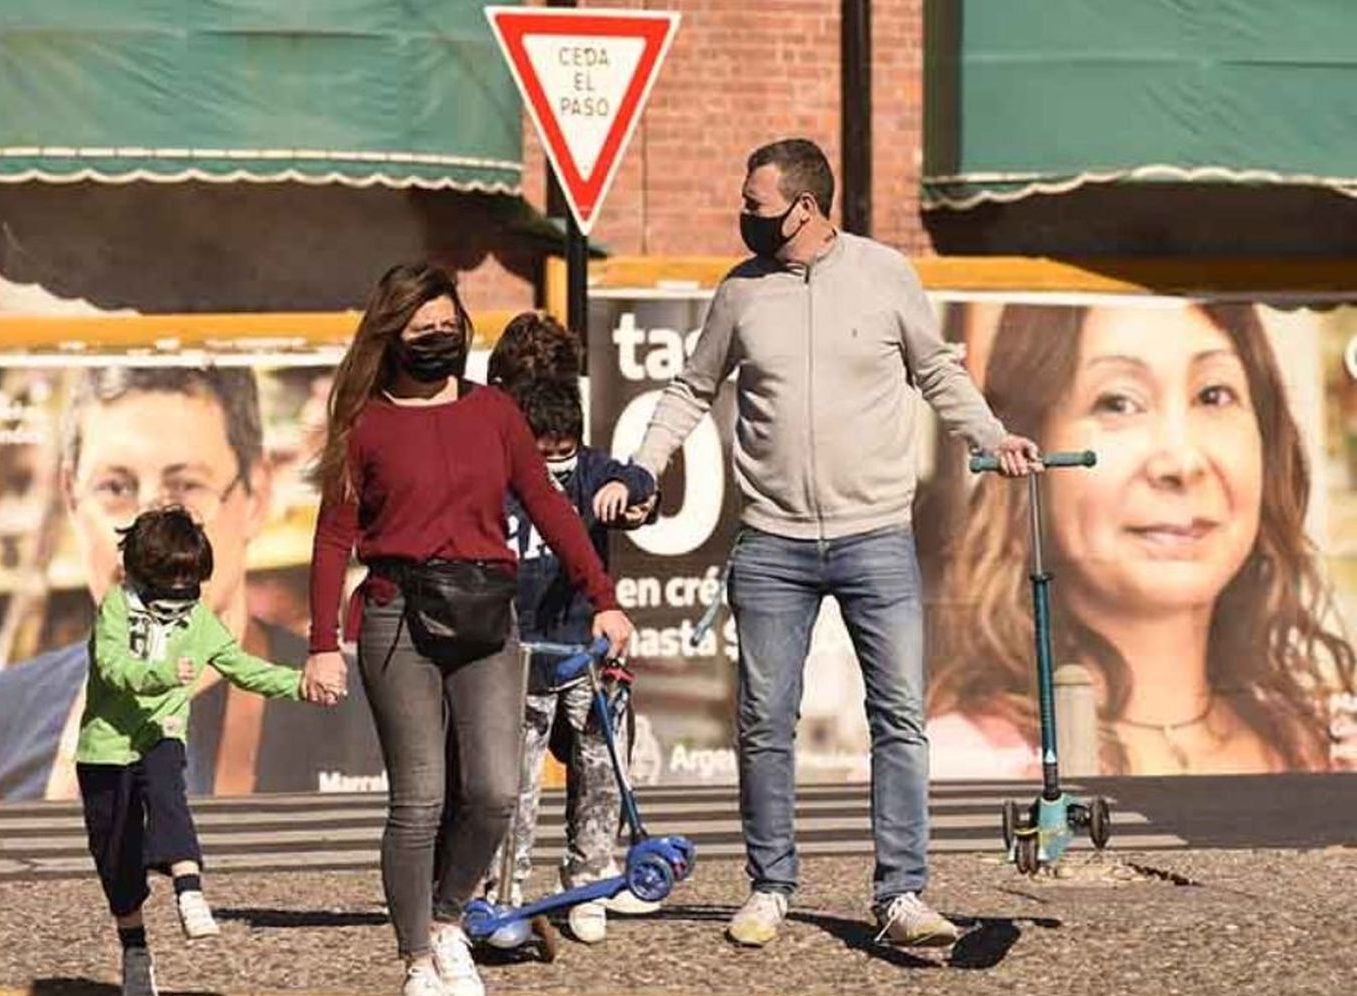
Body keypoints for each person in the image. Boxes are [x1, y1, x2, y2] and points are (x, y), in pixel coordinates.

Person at [631, 138, 1039, 948]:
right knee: (763, 721)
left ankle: (902, 896)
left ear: (805, 207)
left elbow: (938, 373)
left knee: (898, 719)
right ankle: (770, 886)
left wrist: (991, 437)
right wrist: (646, 466)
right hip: (772, 543)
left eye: (755, 203)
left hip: (876, 536)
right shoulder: (741, 293)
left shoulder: (886, 275)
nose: (743, 216)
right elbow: (691, 389)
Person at [301, 263, 633, 996]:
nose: (438, 340)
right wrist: (323, 643)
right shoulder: (366, 423)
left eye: (449, 329)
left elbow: (550, 509)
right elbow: (333, 538)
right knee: (418, 800)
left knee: (491, 790)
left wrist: (602, 596)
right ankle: (418, 957)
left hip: (488, 614)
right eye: (422, 331)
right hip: (397, 617)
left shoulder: (495, 414)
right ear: (392, 337)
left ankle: (450, 918)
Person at [929, 301, 1357, 776]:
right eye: (1118, 402)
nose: (1181, 462)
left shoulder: (1328, 750)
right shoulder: (951, 770)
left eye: (1214, 395)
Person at [0, 366, 383, 802]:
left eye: (187, 487)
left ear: (257, 497)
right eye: (115, 488)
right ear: (72, 498)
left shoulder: (375, 714)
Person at [78, 506, 320, 996]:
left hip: (160, 731)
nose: (183, 593)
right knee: (116, 856)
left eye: (193, 582)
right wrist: (164, 674)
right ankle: (135, 949)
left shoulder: (199, 620)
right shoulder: (116, 609)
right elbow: (113, 667)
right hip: (105, 747)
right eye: (173, 580)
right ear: (144, 572)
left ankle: (190, 891)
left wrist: (300, 683)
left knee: (169, 793)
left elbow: (240, 667)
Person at [479, 361, 658, 944]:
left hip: (588, 648)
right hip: (521, 652)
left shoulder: (589, 470)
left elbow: (639, 483)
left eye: (565, 456)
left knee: (601, 768)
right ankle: (505, 886)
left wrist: (625, 490)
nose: (556, 471)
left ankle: (590, 877)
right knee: (517, 780)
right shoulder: (496, 480)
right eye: (543, 458)